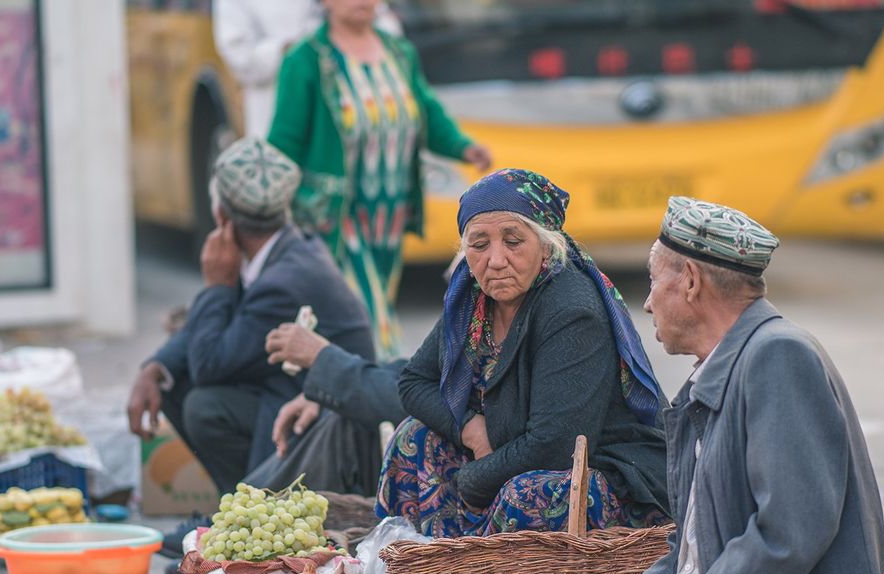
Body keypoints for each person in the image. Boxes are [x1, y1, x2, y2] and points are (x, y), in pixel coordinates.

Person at [584, 197, 884, 574]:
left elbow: (787, 535)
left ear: (689, 282)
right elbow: (692, 552)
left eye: (655, 281)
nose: (647, 299)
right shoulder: (728, 367)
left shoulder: (778, 357)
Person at [376, 169, 671, 537]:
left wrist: (472, 479)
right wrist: (470, 429)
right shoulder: (473, 294)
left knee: (531, 493)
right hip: (509, 449)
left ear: (547, 244)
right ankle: (419, 567)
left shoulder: (571, 311)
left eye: (513, 241)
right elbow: (415, 381)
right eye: (479, 244)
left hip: (603, 472)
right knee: (414, 438)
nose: (495, 260)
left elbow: (556, 446)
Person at [126, 137, 375, 494]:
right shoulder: (284, 245)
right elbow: (204, 332)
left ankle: (245, 506)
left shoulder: (282, 281)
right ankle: (236, 503)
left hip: (326, 421)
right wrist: (153, 369)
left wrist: (217, 285)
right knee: (175, 379)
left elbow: (208, 363)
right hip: (285, 390)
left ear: (221, 215)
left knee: (203, 404)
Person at [268, 0, 492, 358]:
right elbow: (284, 142)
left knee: (373, 308)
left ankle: (345, 392)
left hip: (390, 219)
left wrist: (463, 147)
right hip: (336, 220)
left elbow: (426, 112)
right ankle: (386, 393)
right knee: (368, 315)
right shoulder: (306, 60)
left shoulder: (398, 52)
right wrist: (267, 211)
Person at [242, 323, 407, 497]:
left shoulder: (286, 294)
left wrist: (321, 357)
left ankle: (246, 506)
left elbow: (212, 361)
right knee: (331, 410)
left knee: (346, 423)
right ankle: (244, 506)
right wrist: (322, 388)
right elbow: (413, 373)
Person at [212, 0, 400, 139]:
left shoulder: (401, 52)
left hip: (352, 126)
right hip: (274, 116)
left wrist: (351, 40)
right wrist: (294, 52)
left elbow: (388, 30)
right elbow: (240, 58)